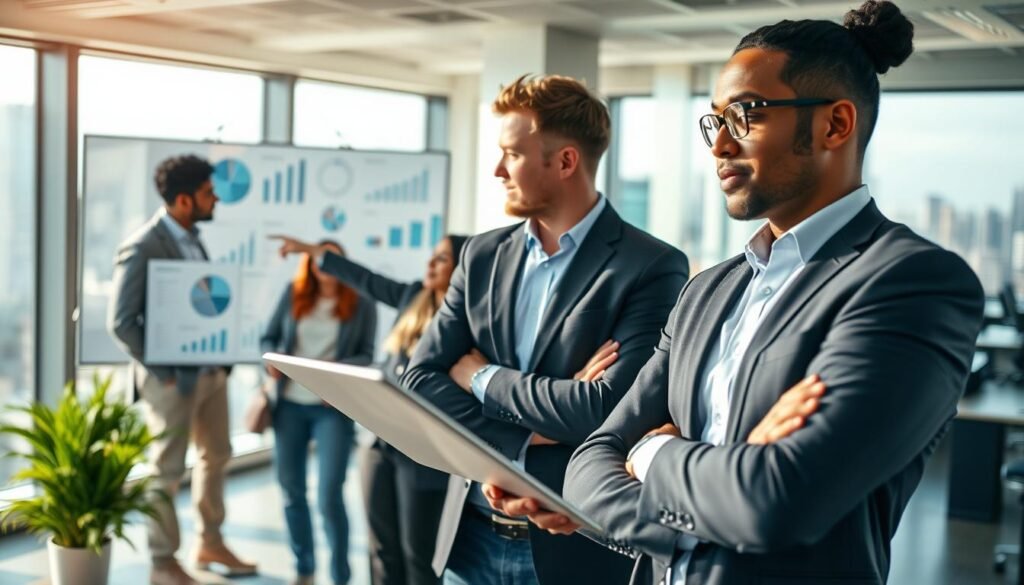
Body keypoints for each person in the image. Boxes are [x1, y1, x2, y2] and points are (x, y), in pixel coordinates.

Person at [490, 3, 986, 584]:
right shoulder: (710, 290)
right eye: (714, 121)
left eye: (745, 115)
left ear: (834, 125)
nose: (719, 145)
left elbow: (777, 499)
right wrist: (720, 479)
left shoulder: (912, 283)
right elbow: (589, 464)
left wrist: (651, 455)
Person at [399, 74, 690, 585]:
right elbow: (419, 381)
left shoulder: (651, 267)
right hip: (468, 540)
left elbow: (606, 412)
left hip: (573, 551)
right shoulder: (482, 255)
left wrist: (481, 376)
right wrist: (533, 428)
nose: (496, 170)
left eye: (511, 154)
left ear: (565, 161)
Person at [269, 232, 467, 585]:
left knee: (417, 555)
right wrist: (315, 252)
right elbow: (364, 279)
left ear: (462, 268)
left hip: (423, 451)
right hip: (380, 443)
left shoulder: (468, 320)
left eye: (441, 259)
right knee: (381, 551)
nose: (430, 263)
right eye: (432, 256)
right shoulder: (411, 296)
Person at [107, 154, 256, 585]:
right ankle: (162, 562)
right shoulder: (144, 244)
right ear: (186, 199)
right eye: (210, 193)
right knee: (167, 471)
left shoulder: (193, 238)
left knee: (217, 456)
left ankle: (210, 542)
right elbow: (120, 321)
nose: (217, 201)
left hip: (210, 373)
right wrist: (161, 369)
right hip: (171, 380)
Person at [260, 241, 377, 585]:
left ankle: (340, 576)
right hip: (289, 407)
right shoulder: (292, 293)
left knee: (329, 495)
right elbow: (267, 339)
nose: (324, 266)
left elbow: (366, 355)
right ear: (308, 265)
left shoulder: (361, 303)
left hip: (332, 410)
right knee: (292, 490)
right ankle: (304, 568)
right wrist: (272, 362)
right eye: (317, 259)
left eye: (332, 259)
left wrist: (335, 371)